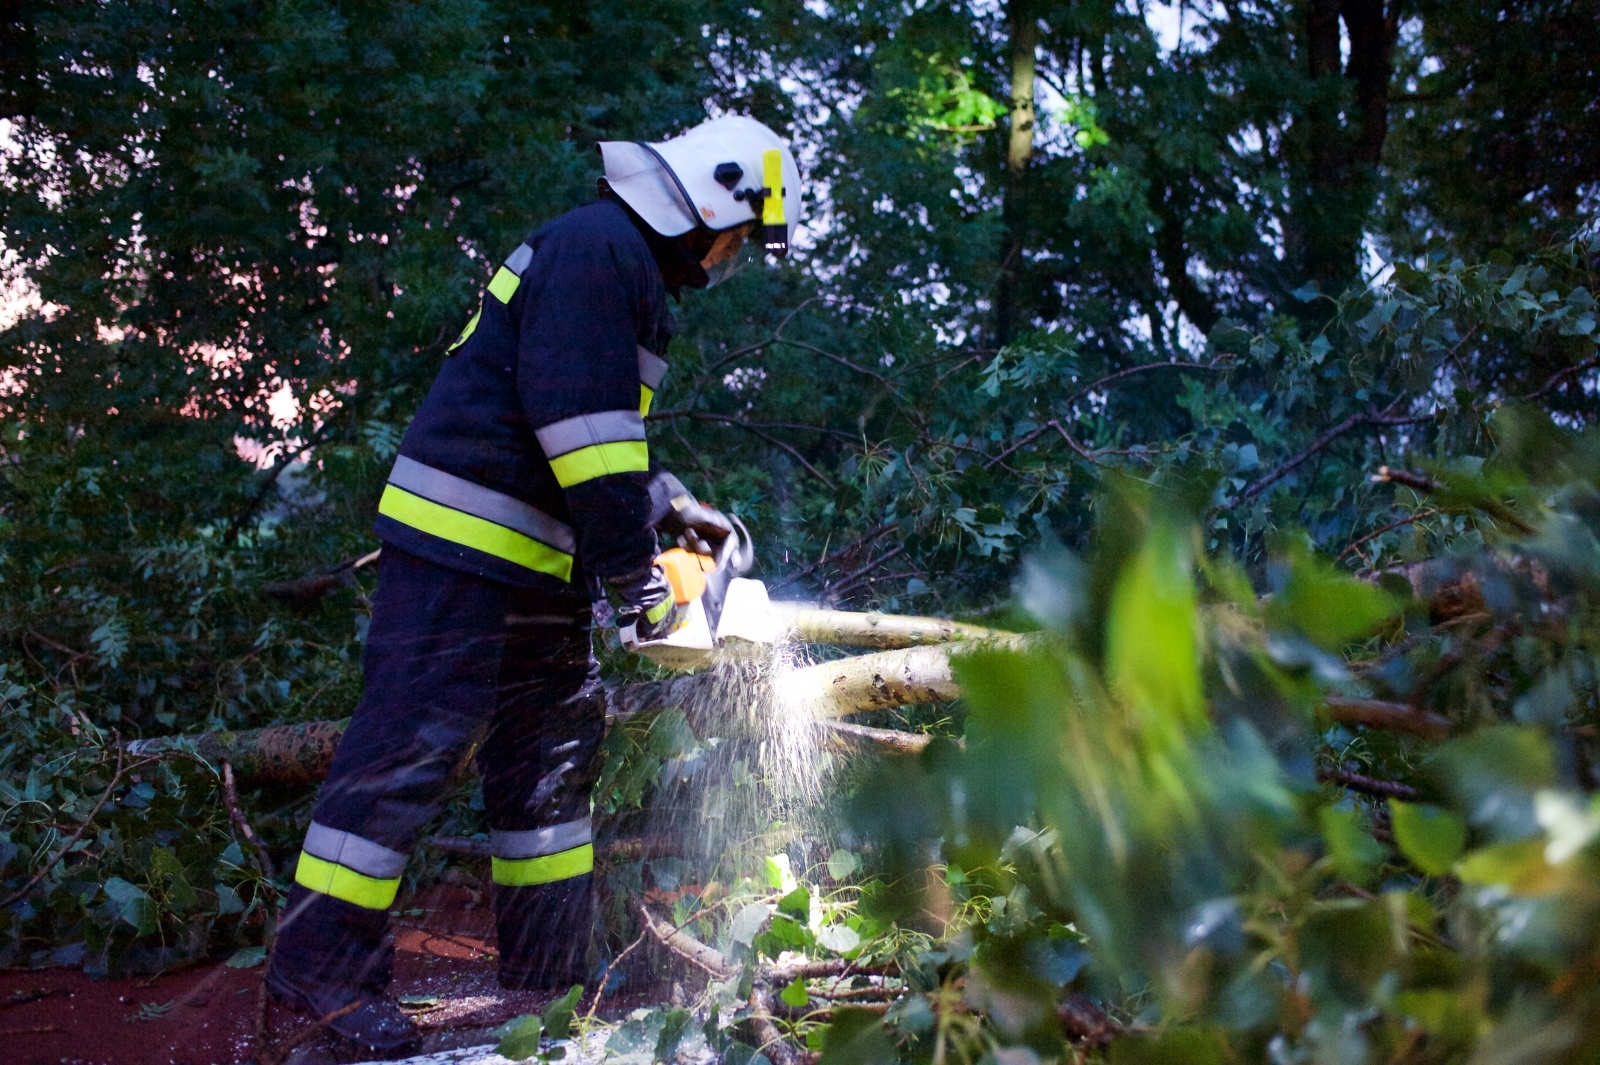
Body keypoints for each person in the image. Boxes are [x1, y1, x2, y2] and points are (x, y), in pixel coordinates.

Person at [263, 115, 802, 1058]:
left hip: (527, 556)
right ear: (715, 197)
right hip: (460, 549)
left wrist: (671, 503)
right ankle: (319, 981)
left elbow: (584, 433)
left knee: (552, 757)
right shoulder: (601, 252)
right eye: (742, 234)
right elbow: (582, 437)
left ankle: (549, 970)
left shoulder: (613, 262)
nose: (733, 256)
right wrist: (639, 578)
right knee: (407, 753)